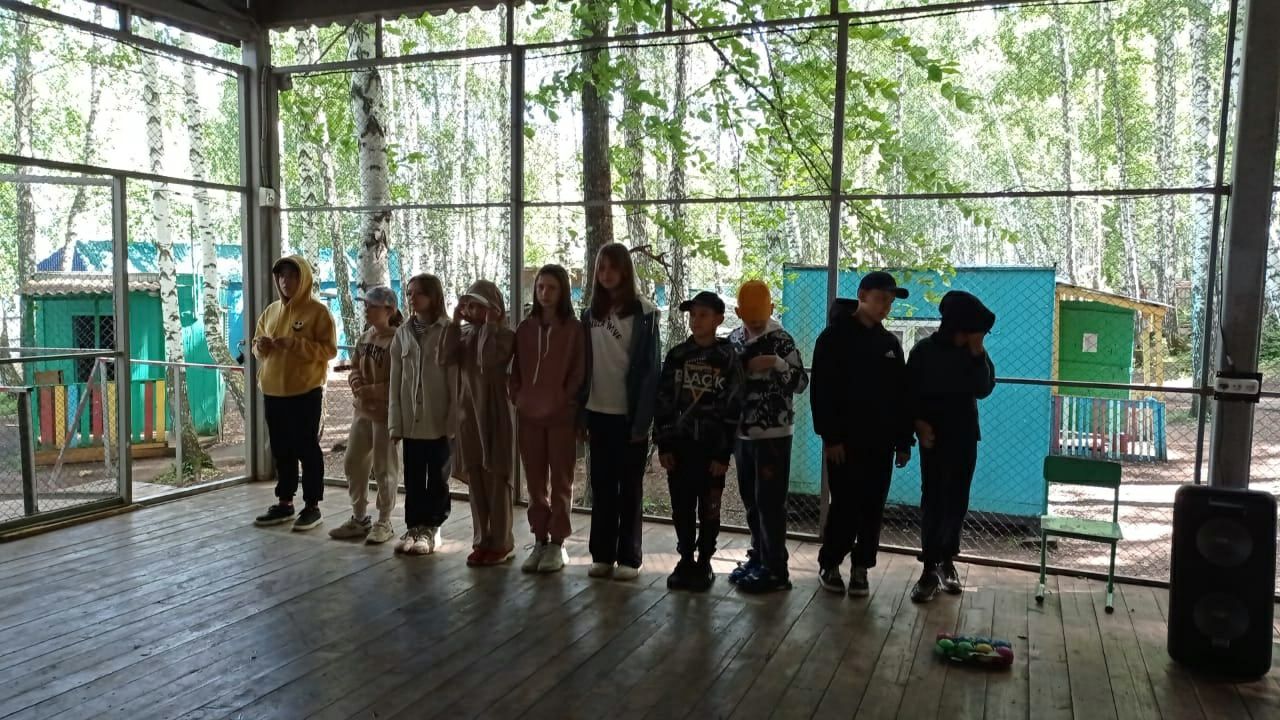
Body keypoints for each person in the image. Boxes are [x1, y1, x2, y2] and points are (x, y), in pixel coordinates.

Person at [810, 271, 914, 596]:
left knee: (872, 507)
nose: (885, 307)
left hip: (881, 444)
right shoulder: (833, 338)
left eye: (890, 302)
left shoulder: (889, 343)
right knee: (844, 506)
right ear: (862, 295)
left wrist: (903, 441)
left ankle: (861, 567)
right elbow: (822, 393)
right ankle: (830, 563)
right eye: (881, 299)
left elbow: (901, 396)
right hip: (845, 443)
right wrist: (831, 438)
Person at [580, 243, 662, 581]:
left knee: (629, 488)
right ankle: (602, 554)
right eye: (601, 268)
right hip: (597, 411)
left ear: (626, 271)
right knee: (602, 487)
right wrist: (581, 415)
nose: (606, 274)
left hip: (629, 416)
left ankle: (629, 556)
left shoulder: (645, 313)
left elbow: (651, 371)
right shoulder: (590, 314)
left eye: (613, 267)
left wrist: (642, 421)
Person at [908, 290, 996, 603]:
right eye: (975, 331)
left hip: (964, 436)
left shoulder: (974, 353)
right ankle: (929, 568)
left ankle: (947, 561)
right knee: (933, 500)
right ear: (957, 326)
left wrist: (977, 351)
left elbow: (984, 388)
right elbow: (909, 394)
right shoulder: (924, 351)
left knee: (957, 501)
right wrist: (917, 425)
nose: (978, 337)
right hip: (933, 438)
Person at [654, 291, 744, 592]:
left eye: (703, 315)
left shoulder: (728, 358)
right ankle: (685, 558)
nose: (696, 320)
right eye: (692, 315)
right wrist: (664, 443)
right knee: (681, 506)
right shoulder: (678, 355)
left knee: (709, 507)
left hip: (711, 449)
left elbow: (734, 406)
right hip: (681, 447)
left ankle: (705, 559)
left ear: (719, 319)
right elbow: (663, 401)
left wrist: (723, 453)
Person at [727, 280, 808, 594]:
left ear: (772, 310)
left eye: (761, 318)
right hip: (742, 433)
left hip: (774, 434)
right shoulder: (734, 339)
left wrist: (777, 364)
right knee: (750, 499)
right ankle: (759, 557)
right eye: (750, 318)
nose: (756, 324)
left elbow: (800, 383)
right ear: (738, 313)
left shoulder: (782, 340)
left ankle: (777, 569)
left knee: (770, 502)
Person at [252, 256, 338, 531]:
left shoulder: (318, 312)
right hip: (273, 392)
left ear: (304, 280)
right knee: (281, 449)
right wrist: (260, 347)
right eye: (281, 276)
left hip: (304, 392)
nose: (285, 282)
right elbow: (256, 346)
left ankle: (312, 506)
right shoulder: (271, 311)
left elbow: (329, 350)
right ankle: (285, 502)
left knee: (306, 448)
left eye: (291, 276)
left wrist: (295, 345)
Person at [510, 264, 585, 574]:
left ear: (563, 291)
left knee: (561, 481)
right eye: (540, 287)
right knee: (535, 481)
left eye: (551, 287)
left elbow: (579, 371)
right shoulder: (525, 328)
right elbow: (515, 370)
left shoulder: (574, 329)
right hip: (529, 416)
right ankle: (539, 539)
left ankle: (557, 543)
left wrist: (564, 401)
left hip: (561, 417)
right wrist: (519, 397)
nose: (544, 293)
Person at [440, 279, 517, 567]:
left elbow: (488, 360)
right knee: (475, 477)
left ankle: (502, 542)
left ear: (494, 308)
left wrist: (490, 326)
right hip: (468, 415)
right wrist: (454, 322)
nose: (472, 311)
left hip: (494, 414)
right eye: (468, 306)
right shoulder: (464, 333)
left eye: (478, 306)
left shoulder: (505, 335)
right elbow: (444, 357)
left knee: (496, 477)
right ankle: (481, 539)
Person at [389, 274, 457, 556]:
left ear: (433, 295)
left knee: (438, 477)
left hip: (438, 420)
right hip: (411, 421)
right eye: (409, 293)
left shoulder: (448, 331)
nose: (412, 298)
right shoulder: (402, 333)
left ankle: (433, 528)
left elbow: (454, 380)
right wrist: (395, 423)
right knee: (413, 476)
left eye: (419, 293)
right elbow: (395, 381)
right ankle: (414, 526)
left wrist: (453, 418)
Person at [330, 285, 404, 544]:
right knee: (353, 462)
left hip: (385, 415)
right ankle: (360, 518)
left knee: (385, 468)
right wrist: (355, 382)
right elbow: (354, 366)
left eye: (372, 306)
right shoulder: (365, 337)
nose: (366, 310)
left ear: (389, 310)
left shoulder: (399, 340)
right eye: (365, 305)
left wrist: (372, 390)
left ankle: (385, 521)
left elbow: (401, 380)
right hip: (362, 412)